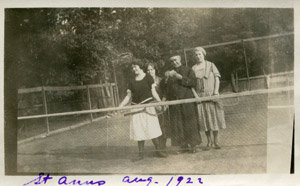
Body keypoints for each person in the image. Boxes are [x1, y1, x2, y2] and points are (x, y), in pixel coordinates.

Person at [119, 60, 167, 162]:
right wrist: (121, 105)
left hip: (148, 107)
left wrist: (160, 102)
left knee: (152, 129)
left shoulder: (148, 78)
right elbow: (128, 96)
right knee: (139, 131)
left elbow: (153, 92)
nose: (134, 69)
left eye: (135, 67)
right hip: (136, 108)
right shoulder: (131, 80)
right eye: (132, 68)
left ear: (140, 67)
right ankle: (140, 154)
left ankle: (159, 151)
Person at [160, 55, 202, 153]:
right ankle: (182, 146)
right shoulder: (169, 73)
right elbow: (164, 87)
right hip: (174, 103)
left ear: (180, 60)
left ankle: (193, 146)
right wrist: (165, 78)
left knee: (190, 123)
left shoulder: (188, 70)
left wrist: (180, 77)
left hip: (187, 101)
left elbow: (193, 83)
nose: (174, 62)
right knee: (177, 124)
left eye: (175, 60)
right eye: (172, 61)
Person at [191, 47, 226, 150]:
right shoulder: (193, 68)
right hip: (200, 97)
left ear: (203, 54)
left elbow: (217, 78)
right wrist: (196, 96)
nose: (198, 56)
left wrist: (215, 92)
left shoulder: (211, 65)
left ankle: (216, 141)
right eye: (196, 55)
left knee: (213, 117)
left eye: (200, 54)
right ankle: (209, 142)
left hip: (211, 95)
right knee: (204, 119)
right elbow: (191, 85)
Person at [146, 63, 171, 152]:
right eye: (148, 70)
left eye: (151, 69)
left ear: (155, 70)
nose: (150, 72)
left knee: (163, 125)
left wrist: (162, 103)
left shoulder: (160, 80)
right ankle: (157, 148)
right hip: (151, 107)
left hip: (161, 105)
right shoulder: (145, 82)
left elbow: (166, 92)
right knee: (153, 127)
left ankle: (163, 146)